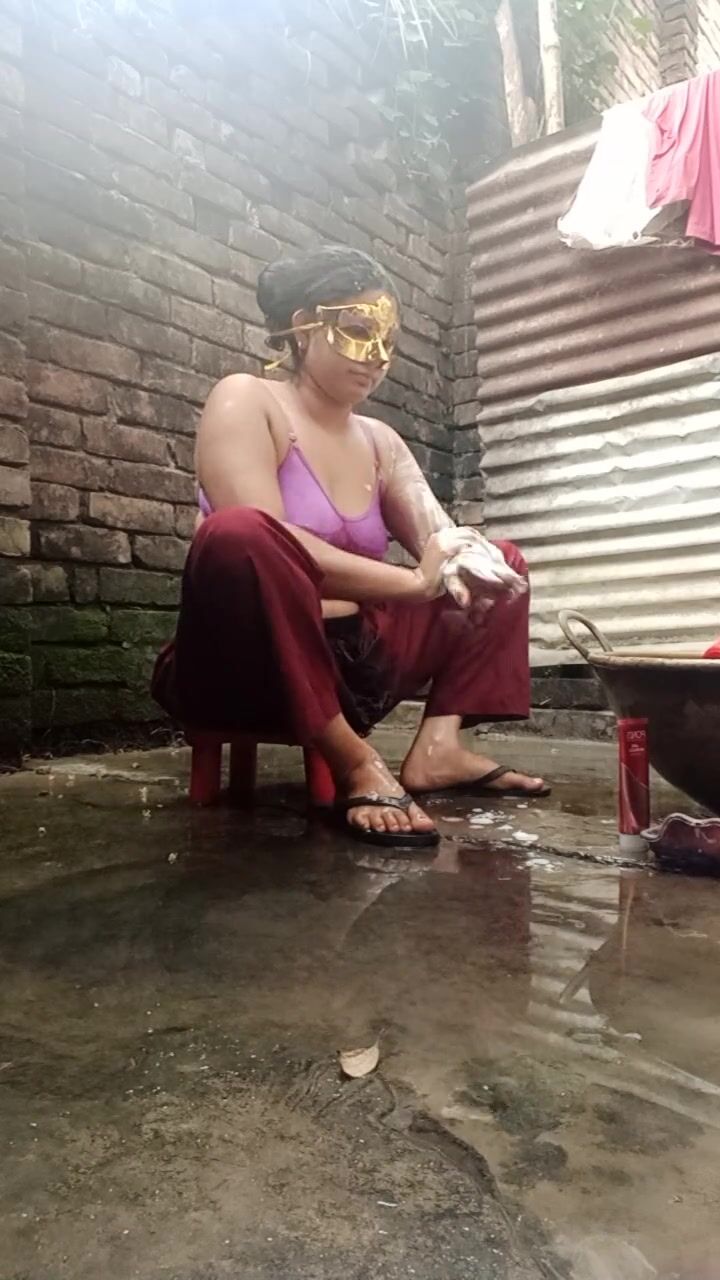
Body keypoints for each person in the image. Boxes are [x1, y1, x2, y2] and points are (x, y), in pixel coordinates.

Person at [152, 245, 549, 848]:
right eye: (360, 332)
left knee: (498, 562)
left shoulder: (380, 441)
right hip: (241, 665)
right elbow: (266, 544)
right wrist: (414, 582)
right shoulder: (246, 399)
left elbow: (447, 545)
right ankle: (354, 760)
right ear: (303, 327)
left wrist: (459, 560)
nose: (378, 358)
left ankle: (439, 748)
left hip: (353, 668)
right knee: (239, 534)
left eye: (388, 341)